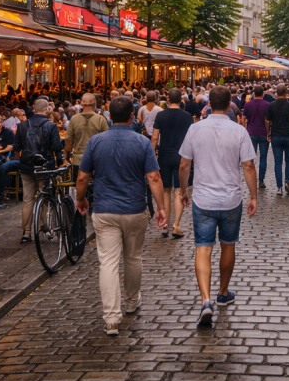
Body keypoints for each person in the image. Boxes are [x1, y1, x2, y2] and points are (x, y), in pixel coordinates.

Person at [75, 96, 167, 336]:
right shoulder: (142, 142)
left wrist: (80, 198)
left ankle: (111, 318)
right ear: (131, 117)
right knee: (133, 258)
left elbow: (83, 177)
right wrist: (161, 208)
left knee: (108, 262)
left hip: (105, 210)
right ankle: (130, 301)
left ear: (108, 116)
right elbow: (154, 178)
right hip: (134, 209)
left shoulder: (95, 142)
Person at [177, 85, 258, 327]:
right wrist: (253, 196)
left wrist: (183, 190)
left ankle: (205, 300)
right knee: (228, 245)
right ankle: (223, 292)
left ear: (209, 103)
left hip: (203, 198)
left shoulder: (195, 129)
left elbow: (184, 165)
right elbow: (249, 166)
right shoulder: (239, 131)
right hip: (230, 198)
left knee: (203, 248)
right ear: (229, 104)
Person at [16, 98, 65, 243]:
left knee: (27, 200)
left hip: (26, 166)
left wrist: (23, 160)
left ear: (33, 108)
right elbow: (57, 147)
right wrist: (60, 163)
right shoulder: (50, 125)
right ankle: (43, 226)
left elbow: (17, 147)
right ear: (47, 109)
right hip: (45, 166)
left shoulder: (23, 125)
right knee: (44, 196)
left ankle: (26, 232)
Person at [152, 89, 194, 238]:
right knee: (178, 191)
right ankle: (176, 225)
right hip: (182, 156)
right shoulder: (187, 116)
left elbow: (155, 137)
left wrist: (151, 155)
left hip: (164, 155)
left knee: (165, 191)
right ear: (181, 100)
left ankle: (164, 225)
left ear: (168, 99)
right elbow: (191, 137)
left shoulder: (161, 115)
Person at [265, 84, 289, 196]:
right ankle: (287, 182)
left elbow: (267, 121)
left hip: (276, 135)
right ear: (286, 92)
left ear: (276, 93)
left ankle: (279, 187)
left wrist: (268, 132)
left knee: (278, 162)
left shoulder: (271, 105)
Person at [66, 93, 109, 181]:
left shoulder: (74, 119)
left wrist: (66, 158)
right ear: (94, 104)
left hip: (78, 160)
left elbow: (68, 140)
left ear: (81, 104)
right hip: (96, 160)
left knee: (79, 187)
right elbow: (107, 141)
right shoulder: (101, 119)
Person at [241, 85, 270, 189]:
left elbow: (243, 118)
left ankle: (251, 179)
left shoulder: (248, 104)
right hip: (263, 133)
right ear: (263, 93)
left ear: (253, 94)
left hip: (251, 133)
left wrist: (244, 128)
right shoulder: (267, 104)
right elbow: (268, 120)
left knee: (250, 158)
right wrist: (268, 131)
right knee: (263, 157)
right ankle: (261, 180)